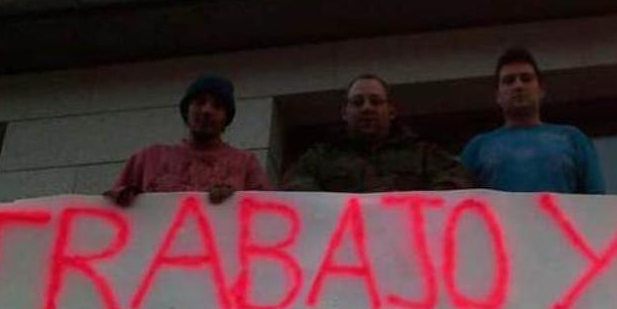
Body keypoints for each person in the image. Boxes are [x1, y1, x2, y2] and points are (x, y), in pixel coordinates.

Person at [282, 75, 471, 192]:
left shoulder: (424, 154)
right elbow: (294, 188)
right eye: (357, 102)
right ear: (344, 113)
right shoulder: (319, 158)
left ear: (391, 111)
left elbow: (457, 181)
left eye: (375, 101)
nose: (367, 108)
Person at [105, 74, 270, 206]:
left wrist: (234, 202)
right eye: (199, 102)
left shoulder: (246, 164)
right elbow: (112, 208)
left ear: (226, 118)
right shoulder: (148, 159)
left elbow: (266, 215)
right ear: (186, 111)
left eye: (218, 106)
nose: (207, 110)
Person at [461, 47, 605, 194]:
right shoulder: (477, 148)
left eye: (526, 79)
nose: (518, 86)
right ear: (498, 96)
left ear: (541, 90)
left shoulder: (573, 139)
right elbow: (460, 205)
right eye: (509, 81)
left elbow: (597, 200)